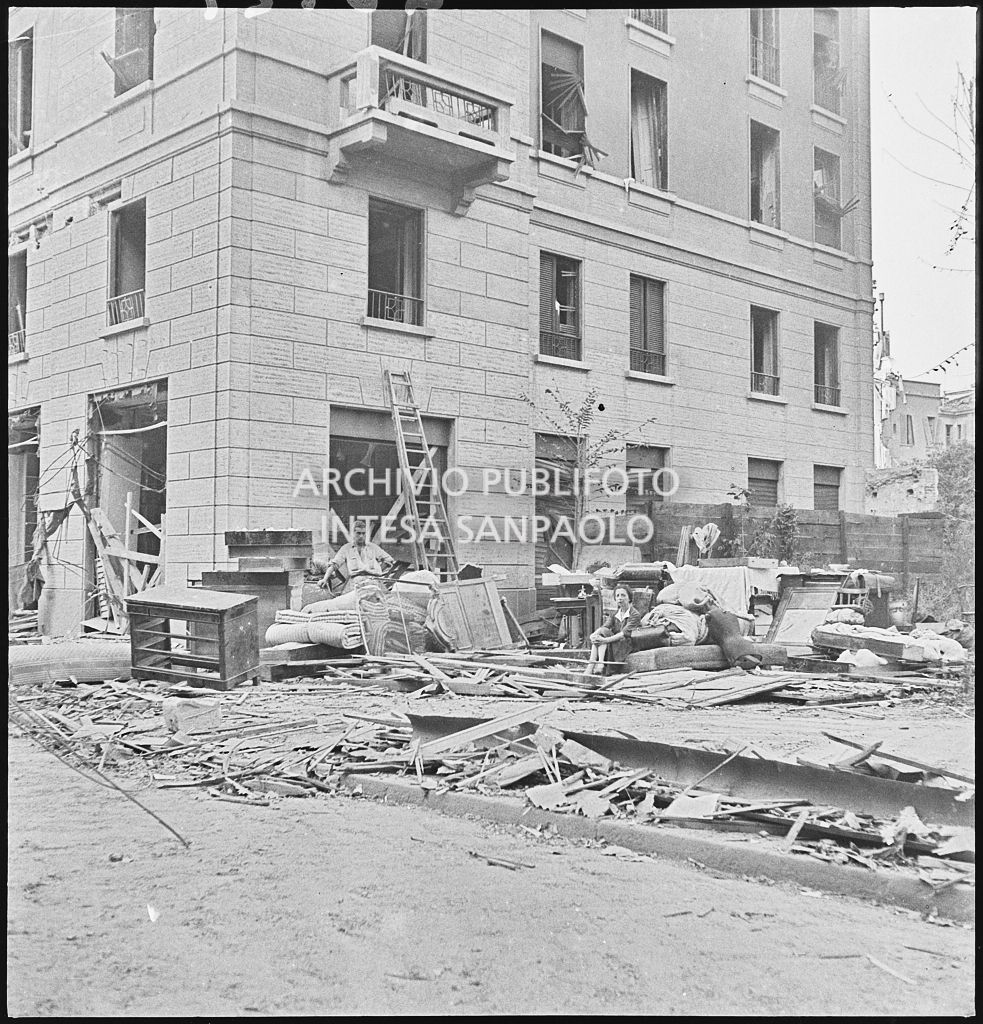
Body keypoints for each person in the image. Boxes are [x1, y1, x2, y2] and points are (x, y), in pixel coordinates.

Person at [319, 520, 395, 593]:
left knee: (384, 601)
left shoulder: (373, 547)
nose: (361, 536)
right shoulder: (346, 548)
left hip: (374, 581)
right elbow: (334, 565)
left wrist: (376, 571)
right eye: (358, 533)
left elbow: (389, 560)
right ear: (352, 533)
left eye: (363, 533)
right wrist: (324, 579)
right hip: (356, 581)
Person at [585, 584, 641, 676]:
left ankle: (595, 665)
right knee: (601, 633)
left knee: (603, 634)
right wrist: (594, 635)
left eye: (623, 595)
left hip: (627, 644)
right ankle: (596, 664)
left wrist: (605, 640)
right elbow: (605, 626)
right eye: (617, 596)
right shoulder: (615, 613)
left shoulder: (634, 614)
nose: (620, 598)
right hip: (615, 642)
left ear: (629, 598)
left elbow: (623, 634)